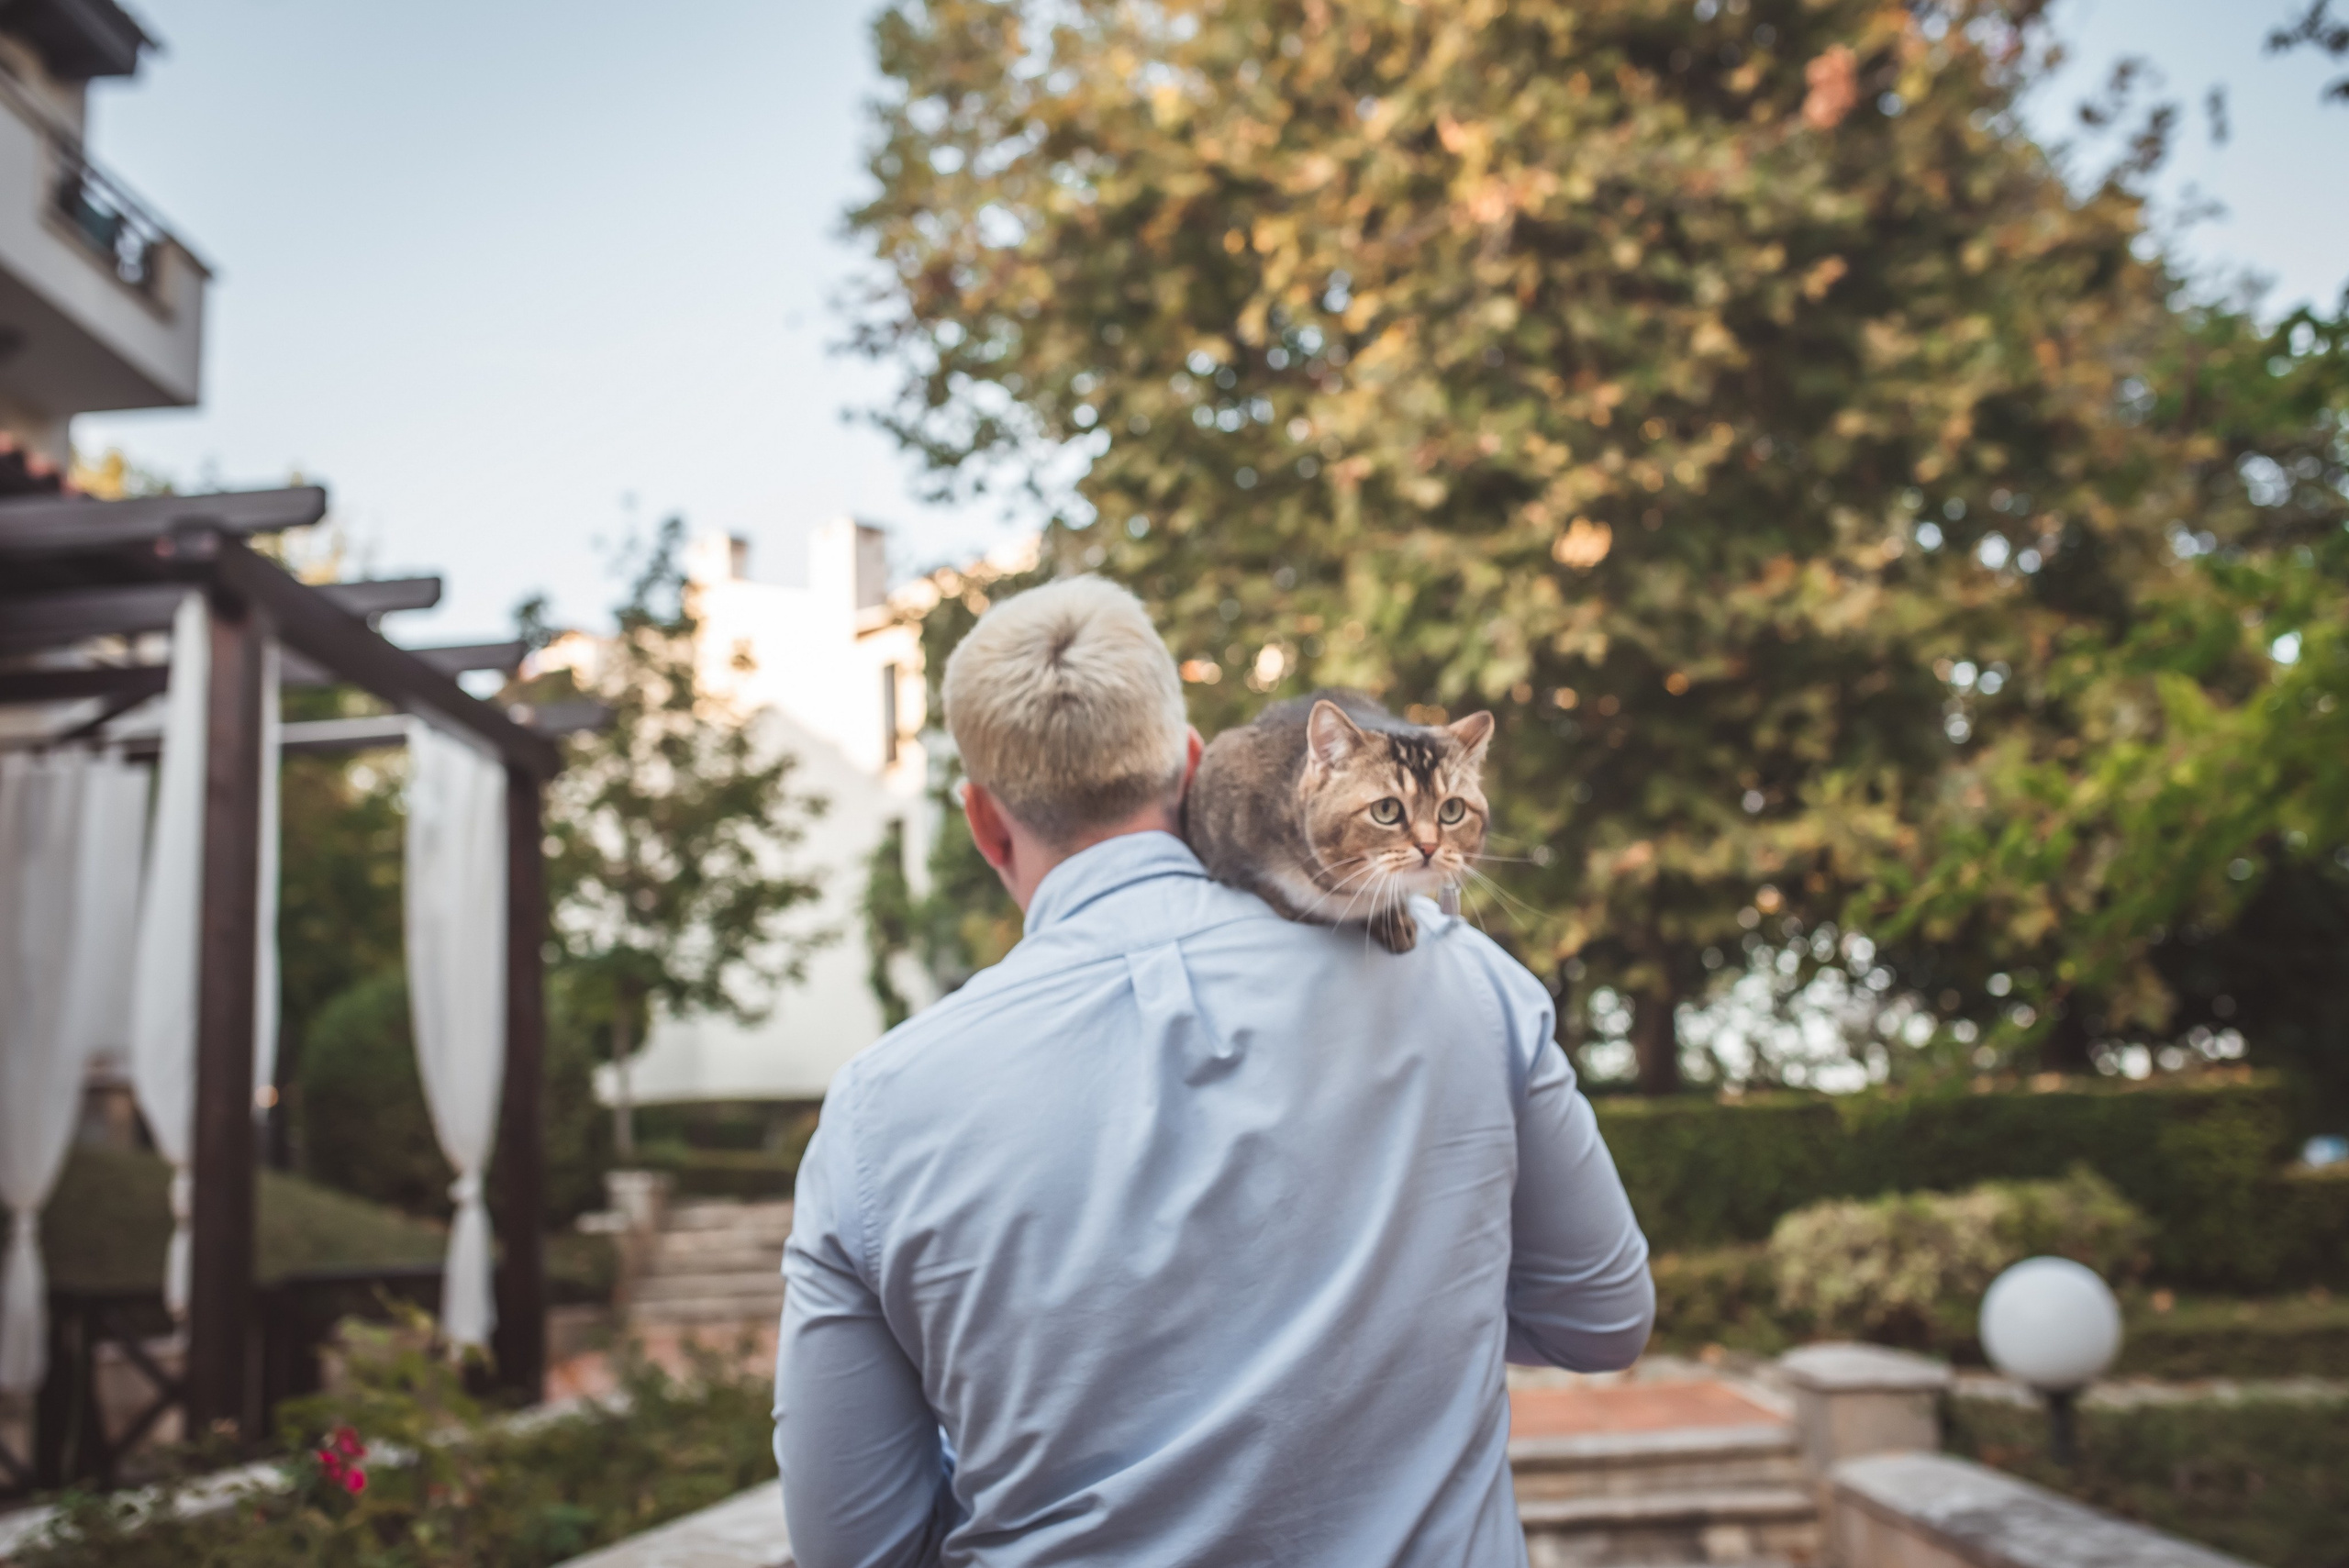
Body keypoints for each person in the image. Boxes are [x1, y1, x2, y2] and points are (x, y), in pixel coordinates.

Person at [774, 577, 1653, 1568]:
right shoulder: (1472, 984)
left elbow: (853, 1547)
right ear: (1189, 765)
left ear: (984, 821)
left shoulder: (877, 1107)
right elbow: (1602, 1318)